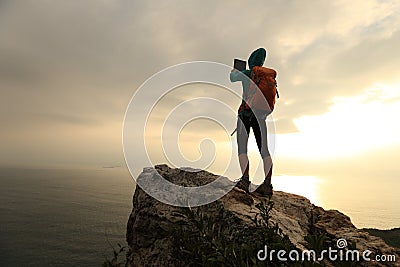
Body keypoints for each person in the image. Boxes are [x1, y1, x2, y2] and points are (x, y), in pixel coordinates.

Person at [230, 48, 274, 196]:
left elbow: (232, 78)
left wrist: (235, 70)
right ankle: (267, 185)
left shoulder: (248, 73)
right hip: (261, 116)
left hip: (245, 114)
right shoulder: (266, 77)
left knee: (242, 148)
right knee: (264, 150)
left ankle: (245, 180)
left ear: (250, 61)